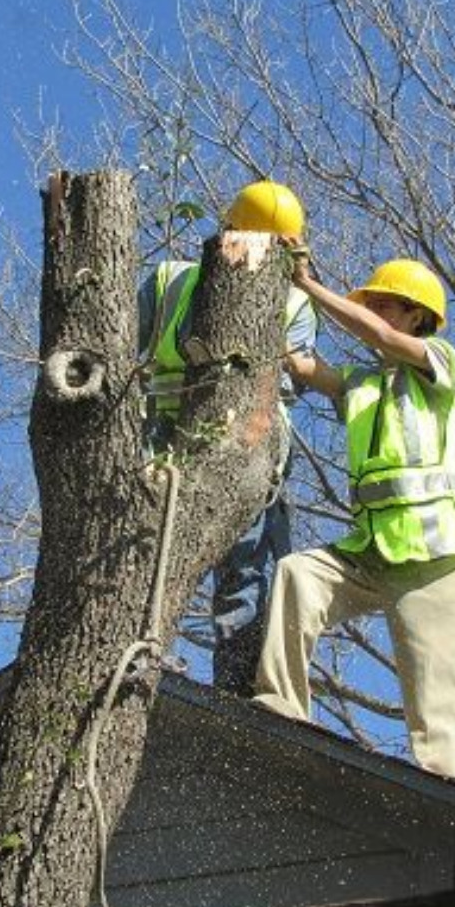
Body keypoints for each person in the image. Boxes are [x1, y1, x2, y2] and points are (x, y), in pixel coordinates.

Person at [253, 252, 455, 780]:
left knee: (434, 697)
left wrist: (311, 285)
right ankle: (282, 708)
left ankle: (444, 797)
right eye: (372, 304)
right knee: (298, 575)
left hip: (439, 554)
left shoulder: (439, 362)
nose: (374, 312)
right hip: (372, 549)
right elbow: (308, 367)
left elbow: (380, 339)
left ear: (414, 315)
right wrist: (272, 302)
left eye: (384, 304)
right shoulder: (363, 384)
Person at [138, 180, 319, 695]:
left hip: (235, 446)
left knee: (241, 566)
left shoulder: (293, 303)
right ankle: (160, 659)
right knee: (218, 567)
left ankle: (233, 686)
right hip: (182, 442)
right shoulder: (172, 281)